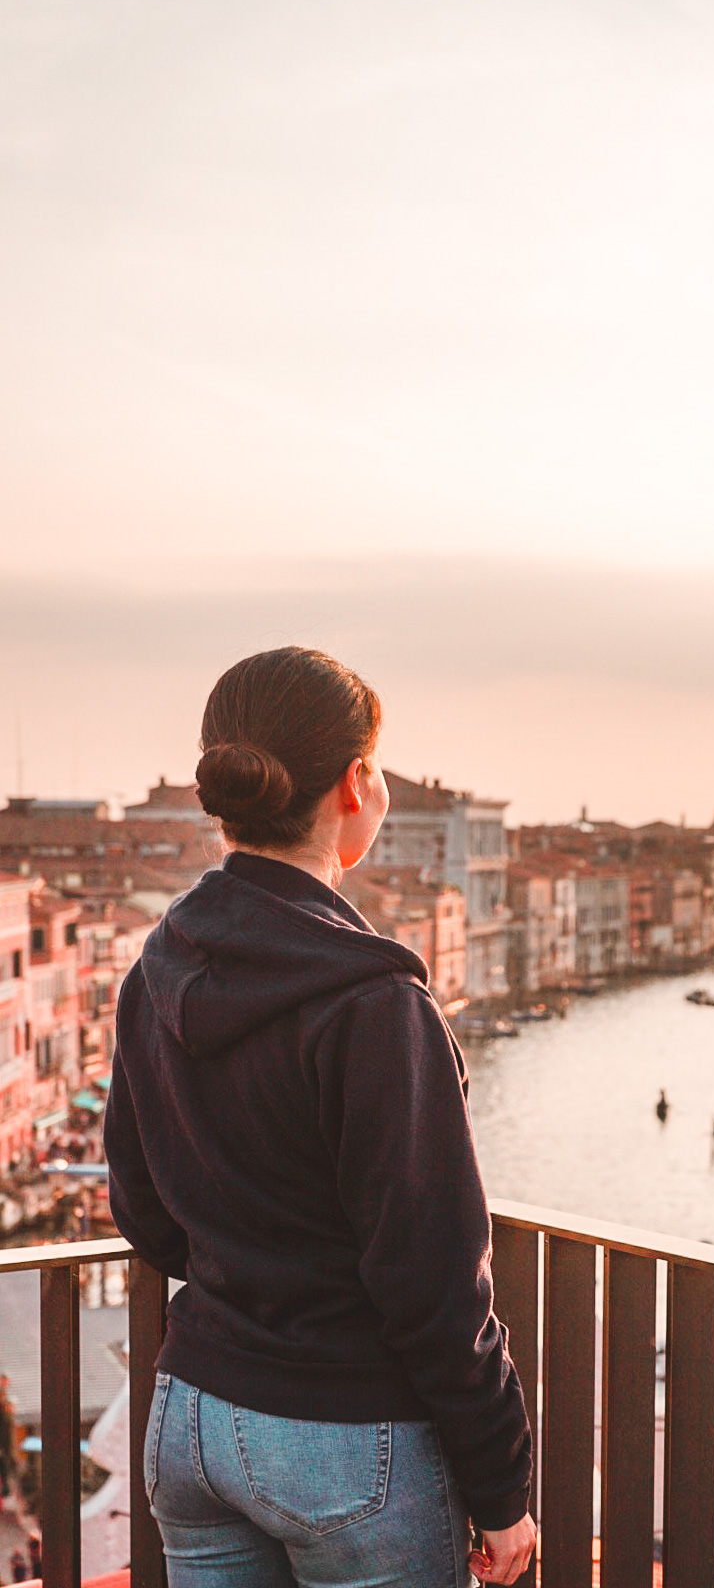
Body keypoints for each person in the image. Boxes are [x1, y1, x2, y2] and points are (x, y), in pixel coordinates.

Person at [104, 648, 535, 1588]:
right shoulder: (378, 1004)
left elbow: (142, 1214)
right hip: (345, 1437)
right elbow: (433, 1277)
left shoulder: (153, 973)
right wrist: (503, 1487)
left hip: (194, 1421)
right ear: (357, 784)